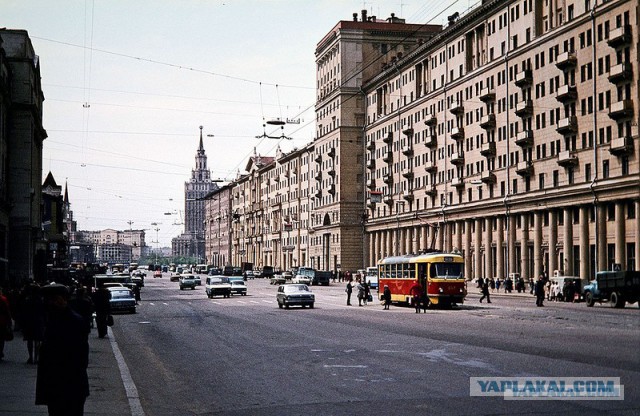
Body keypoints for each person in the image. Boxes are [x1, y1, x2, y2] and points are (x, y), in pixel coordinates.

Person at [36, 283, 90, 416]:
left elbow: (80, 357)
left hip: (68, 384)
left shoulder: (73, 322)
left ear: (63, 299)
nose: (49, 303)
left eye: (53, 299)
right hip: (57, 385)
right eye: (48, 300)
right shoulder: (54, 320)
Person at [20, 284, 46, 364]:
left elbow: (23, 311)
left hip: (29, 321)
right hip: (38, 321)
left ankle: (30, 357)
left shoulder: (28, 300)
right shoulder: (41, 300)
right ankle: (36, 357)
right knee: (37, 340)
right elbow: (44, 312)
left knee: (30, 340)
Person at [0, 287, 12, 361]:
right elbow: (7, 310)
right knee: (1, 338)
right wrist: (9, 320)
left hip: (2, 320)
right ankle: (0, 352)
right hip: (2, 321)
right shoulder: (3, 299)